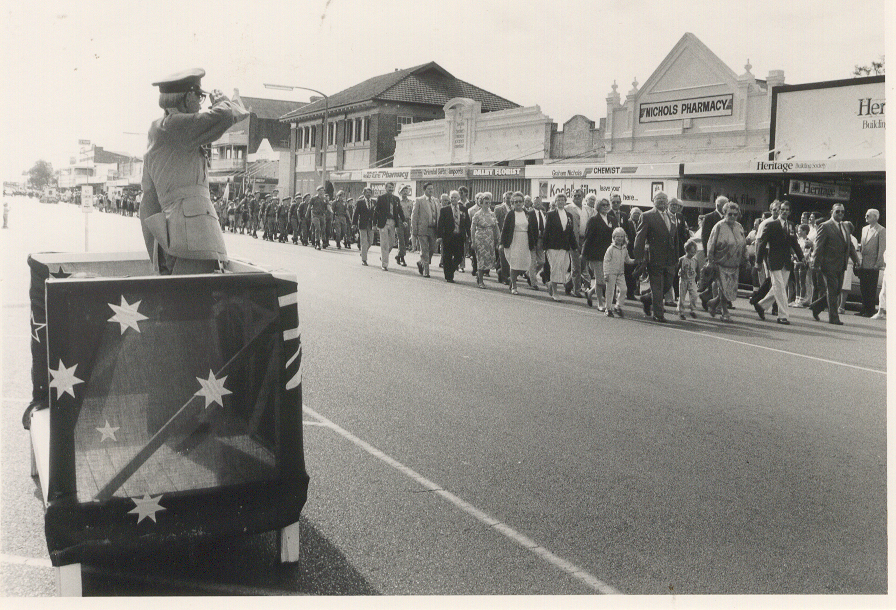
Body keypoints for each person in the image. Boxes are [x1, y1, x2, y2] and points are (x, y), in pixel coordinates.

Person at [140, 68, 249, 274]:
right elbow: (224, 115)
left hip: (174, 240)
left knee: (182, 302)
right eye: (199, 96)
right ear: (188, 96)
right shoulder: (174, 126)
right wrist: (221, 101)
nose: (200, 103)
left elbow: (148, 203)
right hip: (194, 239)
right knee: (197, 302)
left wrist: (157, 249)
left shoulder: (160, 132)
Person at [633, 192, 681, 322]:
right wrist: (639, 257)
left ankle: (647, 298)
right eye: (658, 199)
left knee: (667, 285)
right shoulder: (647, 216)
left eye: (664, 199)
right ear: (653, 201)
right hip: (655, 257)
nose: (662, 201)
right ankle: (658, 314)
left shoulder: (672, 217)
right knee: (657, 286)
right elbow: (640, 237)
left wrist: (677, 257)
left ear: (667, 202)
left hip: (670, 258)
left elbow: (675, 238)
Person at [809, 203, 860, 325]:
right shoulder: (825, 226)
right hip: (828, 264)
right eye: (838, 211)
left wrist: (856, 260)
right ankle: (834, 317)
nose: (840, 214)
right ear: (832, 212)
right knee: (832, 290)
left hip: (841, 265)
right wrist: (815, 264)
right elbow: (819, 246)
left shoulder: (846, 227)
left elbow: (850, 246)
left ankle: (816, 306)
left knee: (837, 290)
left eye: (842, 212)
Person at [754, 200, 803, 325]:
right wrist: (758, 261)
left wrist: (801, 258)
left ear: (790, 212)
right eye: (782, 209)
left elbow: (795, 244)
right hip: (774, 260)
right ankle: (783, 315)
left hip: (786, 261)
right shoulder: (771, 224)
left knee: (778, 287)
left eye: (787, 210)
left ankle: (761, 305)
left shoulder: (791, 225)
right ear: (779, 210)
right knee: (780, 287)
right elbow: (761, 244)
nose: (784, 212)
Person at [705, 201, 746, 322]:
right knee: (723, 287)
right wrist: (710, 260)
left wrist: (746, 258)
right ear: (724, 214)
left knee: (729, 289)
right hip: (720, 262)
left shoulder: (739, 227)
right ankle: (724, 311)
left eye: (735, 214)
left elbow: (743, 244)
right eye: (730, 214)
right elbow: (711, 244)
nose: (732, 216)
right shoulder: (719, 226)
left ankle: (713, 303)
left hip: (734, 264)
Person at [581, 197, 616, 309]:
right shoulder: (593, 220)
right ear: (598, 206)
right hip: (596, 254)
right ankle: (600, 304)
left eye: (607, 205)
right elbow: (588, 238)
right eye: (603, 205)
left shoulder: (612, 219)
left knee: (604, 279)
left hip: (609, 255)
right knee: (601, 280)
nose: (605, 207)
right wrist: (584, 255)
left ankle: (590, 292)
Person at [543, 193, 578, 302]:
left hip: (565, 246)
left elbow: (571, 232)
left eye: (563, 200)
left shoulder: (569, 216)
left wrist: (574, 246)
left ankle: (550, 284)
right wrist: (544, 246)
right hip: (552, 246)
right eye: (558, 200)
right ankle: (555, 292)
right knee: (555, 269)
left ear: (565, 201)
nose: (561, 202)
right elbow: (546, 231)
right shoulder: (550, 214)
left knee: (563, 268)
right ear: (555, 202)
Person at [500, 192, 536, 295]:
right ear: (512, 203)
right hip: (514, 240)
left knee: (524, 264)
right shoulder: (510, 214)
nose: (518, 204)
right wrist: (502, 243)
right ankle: (514, 286)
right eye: (516, 202)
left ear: (523, 202)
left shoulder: (527, 214)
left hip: (524, 240)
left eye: (520, 201)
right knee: (514, 263)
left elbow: (531, 230)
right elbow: (505, 229)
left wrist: (532, 244)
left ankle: (512, 280)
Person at [856, 208, 886, 316]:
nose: (865, 217)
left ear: (875, 217)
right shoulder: (864, 229)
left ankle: (870, 310)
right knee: (863, 287)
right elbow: (862, 246)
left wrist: (878, 263)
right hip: (864, 262)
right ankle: (864, 309)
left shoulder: (881, 230)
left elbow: (882, 248)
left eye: (868, 215)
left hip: (873, 264)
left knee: (871, 288)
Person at [436, 190, 470, 283]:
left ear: (459, 198)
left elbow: (467, 223)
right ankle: (449, 276)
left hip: (459, 236)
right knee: (447, 256)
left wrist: (469, 235)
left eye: (455, 197)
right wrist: (439, 236)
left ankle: (450, 270)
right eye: (451, 197)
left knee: (459, 257)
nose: (453, 199)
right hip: (448, 237)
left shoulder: (463, 209)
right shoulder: (444, 210)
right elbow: (440, 224)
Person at [603, 227, 634, 317]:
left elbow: (627, 260)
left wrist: (635, 261)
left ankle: (618, 306)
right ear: (613, 237)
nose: (619, 238)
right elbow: (606, 261)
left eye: (621, 236)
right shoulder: (611, 249)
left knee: (624, 289)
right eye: (617, 236)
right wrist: (606, 273)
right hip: (611, 273)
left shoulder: (624, 248)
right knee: (610, 291)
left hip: (620, 273)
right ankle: (608, 309)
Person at [470, 192, 499, 289]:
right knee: (481, 259)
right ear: (481, 203)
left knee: (489, 259)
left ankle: (479, 275)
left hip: (490, 239)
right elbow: (472, 228)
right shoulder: (477, 215)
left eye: (489, 203)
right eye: (486, 203)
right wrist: (473, 241)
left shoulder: (492, 214)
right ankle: (481, 281)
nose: (488, 205)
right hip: (480, 239)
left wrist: (497, 238)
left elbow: (496, 227)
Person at [564, 189, 588, 297]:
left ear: (582, 197)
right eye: (575, 195)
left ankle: (568, 284)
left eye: (579, 195)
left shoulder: (587, 209)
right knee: (576, 266)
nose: (577, 197)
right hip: (573, 240)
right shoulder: (568, 208)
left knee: (582, 265)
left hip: (585, 240)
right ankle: (576, 289)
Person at [412, 183, 439, 278]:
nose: (431, 190)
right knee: (425, 250)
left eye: (432, 189)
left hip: (433, 229)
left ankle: (421, 262)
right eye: (428, 189)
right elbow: (414, 216)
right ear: (424, 190)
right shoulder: (419, 200)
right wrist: (414, 229)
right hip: (423, 229)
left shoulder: (436, 201)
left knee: (432, 249)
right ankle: (426, 271)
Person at [374, 182, 403, 270]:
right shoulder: (381, 198)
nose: (391, 189)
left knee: (391, 243)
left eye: (392, 187)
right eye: (389, 187)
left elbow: (400, 211)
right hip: (384, 222)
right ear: (385, 188)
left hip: (393, 222)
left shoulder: (396, 199)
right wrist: (374, 224)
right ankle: (384, 264)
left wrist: (404, 220)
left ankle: (383, 256)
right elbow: (376, 211)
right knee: (384, 243)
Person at [677, 238, 700, 320]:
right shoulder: (682, 259)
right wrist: (678, 274)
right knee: (682, 296)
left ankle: (693, 309)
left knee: (694, 295)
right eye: (691, 252)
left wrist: (699, 280)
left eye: (694, 252)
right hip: (683, 280)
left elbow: (698, 270)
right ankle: (681, 311)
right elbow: (677, 267)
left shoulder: (695, 261)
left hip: (692, 280)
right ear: (687, 250)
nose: (693, 254)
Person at [352, 187, 376, 265]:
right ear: (364, 193)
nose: (368, 194)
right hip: (362, 224)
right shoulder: (360, 202)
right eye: (367, 192)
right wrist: (354, 223)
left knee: (371, 241)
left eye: (370, 192)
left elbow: (377, 213)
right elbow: (355, 214)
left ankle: (363, 252)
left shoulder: (374, 202)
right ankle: (364, 260)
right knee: (364, 242)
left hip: (371, 224)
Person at [839, 221, 859, 314]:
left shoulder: (853, 239)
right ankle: (837, 306)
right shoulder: (841, 236)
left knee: (845, 287)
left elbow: (852, 252)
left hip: (848, 264)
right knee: (839, 286)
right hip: (840, 263)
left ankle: (841, 307)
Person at [528, 197, 547, 290]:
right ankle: (533, 283)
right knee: (532, 262)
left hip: (541, 240)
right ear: (533, 203)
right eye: (536, 202)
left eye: (540, 202)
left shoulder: (542, 214)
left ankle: (530, 274)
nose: (538, 204)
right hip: (533, 240)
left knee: (542, 261)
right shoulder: (530, 213)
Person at [494, 192, 511, 285]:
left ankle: (500, 271)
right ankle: (505, 277)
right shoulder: (499, 209)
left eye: (510, 198)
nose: (508, 200)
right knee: (503, 257)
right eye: (506, 198)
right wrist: (497, 237)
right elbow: (495, 223)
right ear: (503, 198)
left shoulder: (514, 209)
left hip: (511, 237)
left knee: (505, 257)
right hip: (501, 236)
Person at [397, 185, 414, 262]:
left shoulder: (411, 202)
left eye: (406, 191)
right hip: (399, 221)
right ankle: (402, 258)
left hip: (407, 221)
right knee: (401, 239)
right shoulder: (398, 202)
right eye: (403, 191)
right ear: (400, 192)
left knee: (406, 239)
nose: (405, 192)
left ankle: (398, 255)